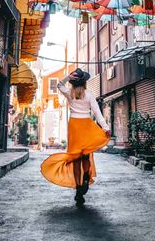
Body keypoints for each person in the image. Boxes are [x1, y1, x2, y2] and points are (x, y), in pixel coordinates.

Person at [40, 68, 110, 206]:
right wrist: (106, 128)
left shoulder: (69, 93)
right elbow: (97, 112)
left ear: (73, 82)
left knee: (75, 159)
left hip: (74, 127)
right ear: (84, 83)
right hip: (87, 126)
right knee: (86, 155)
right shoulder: (89, 94)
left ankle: (78, 189)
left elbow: (59, 85)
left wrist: (67, 77)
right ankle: (86, 177)